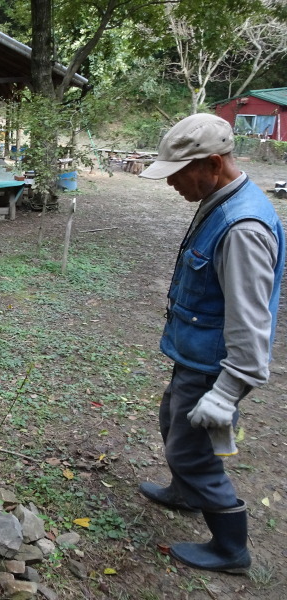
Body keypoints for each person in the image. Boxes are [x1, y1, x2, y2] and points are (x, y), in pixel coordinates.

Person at [137, 114, 285, 573]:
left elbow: (250, 323)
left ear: (214, 163)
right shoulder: (221, 197)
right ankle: (185, 492)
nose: (172, 184)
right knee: (173, 423)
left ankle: (230, 548)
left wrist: (226, 392)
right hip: (194, 354)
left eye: (179, 174)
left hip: (212, 367)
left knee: (191, 450)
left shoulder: (242, 229)